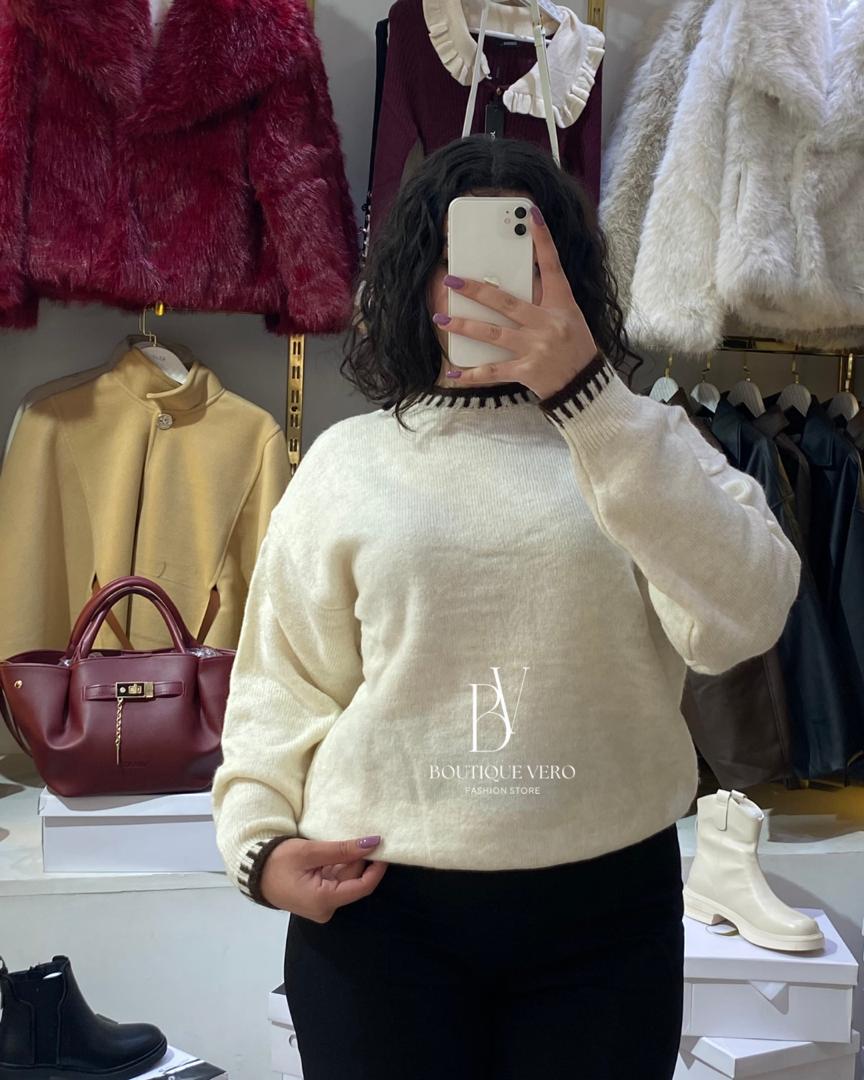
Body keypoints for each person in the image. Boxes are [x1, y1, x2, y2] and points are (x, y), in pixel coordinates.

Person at [211, 136, 801, 1080]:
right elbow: (281, 683)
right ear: (415, 284)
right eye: (457, 261)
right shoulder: (350, 462)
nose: (489, 289)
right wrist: (259, 842)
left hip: (607, 917)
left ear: (571, 281)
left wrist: (590, 401)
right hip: (379, 911)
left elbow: (746, 616)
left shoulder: (645, 442)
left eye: (524, 259)